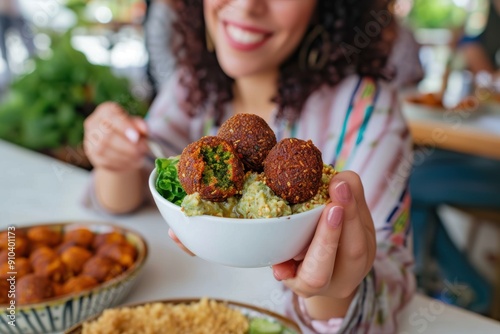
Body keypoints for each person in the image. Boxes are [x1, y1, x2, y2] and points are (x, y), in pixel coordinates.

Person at [83, 0, 415, 332]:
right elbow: (129, 195)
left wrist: (331, 294)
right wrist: (114, 158)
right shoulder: (190, 84)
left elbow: (394, 287)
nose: (246, 5)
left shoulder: (368, 111)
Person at [410, 0, 500, 314]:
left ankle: (453, 286)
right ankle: (457, 285)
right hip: (486, 154)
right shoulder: (484, 37)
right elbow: (483, 90)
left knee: (411, 184)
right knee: (414, 173)